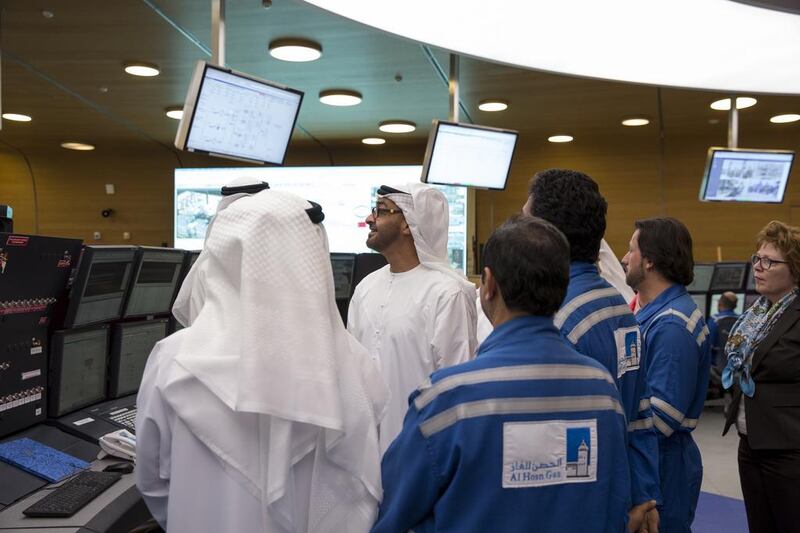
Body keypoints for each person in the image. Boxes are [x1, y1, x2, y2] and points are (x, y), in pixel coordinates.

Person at [136, 189, 388, 532]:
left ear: (224, 256)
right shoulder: (351, 362)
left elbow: (153, 480)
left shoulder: (174, 360)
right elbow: (360, 479)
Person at [372, 216, 631, 533]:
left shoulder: (446, 401)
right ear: (562, 288)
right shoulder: (602, 391)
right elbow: (616, 506)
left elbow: (394, 516)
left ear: (489, 285)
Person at [526, 168, 660, 532]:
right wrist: (644, 497)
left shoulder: (553, 319)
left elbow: (548, 444)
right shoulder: (618, 306)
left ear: (544, 236)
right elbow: (640, 413)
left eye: (526, 225)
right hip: (621, 492)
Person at [347, 183, 477, 454]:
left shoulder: (447, 293)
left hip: (421, 456)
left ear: (409, 224)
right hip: (365, 455)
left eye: (381, 211)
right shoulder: (365, 288)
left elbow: (456, 391)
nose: (370, 219)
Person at [622, 217, 711, 533]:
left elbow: (661, 419)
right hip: (656, 460)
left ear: (649, 261)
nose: (623, 258)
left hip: (662, 465)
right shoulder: (655, 314)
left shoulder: (672, 326)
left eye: (631, 250)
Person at [721, 220, 800, 533]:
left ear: (794, 268)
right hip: (750, 440)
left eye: (769, 261)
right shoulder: (757, 313)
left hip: (788, 447)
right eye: (757, 259)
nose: (759, 267)